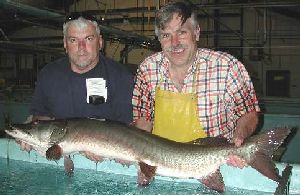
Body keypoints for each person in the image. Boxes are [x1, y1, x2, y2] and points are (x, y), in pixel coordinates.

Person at [132, 1, 260, 169]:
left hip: (215, 164)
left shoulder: (226, 67)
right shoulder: (148, 68)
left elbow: (249, 114)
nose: (174, 42)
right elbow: (143, 119)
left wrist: (239, 140)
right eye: (166, 35)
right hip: (160, 164)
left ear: (197, 33)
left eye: (182, 32)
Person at [18, 13, 134, 157]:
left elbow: (128, 128)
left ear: (100, 42)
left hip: (106, 157)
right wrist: (31, 134)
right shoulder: (48, 74)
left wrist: (106, 149)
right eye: (74, 40)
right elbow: (40, 116)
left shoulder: (121, 77)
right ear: (65, 44)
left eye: (88, 39)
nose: (81, 47)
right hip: (60, 155)